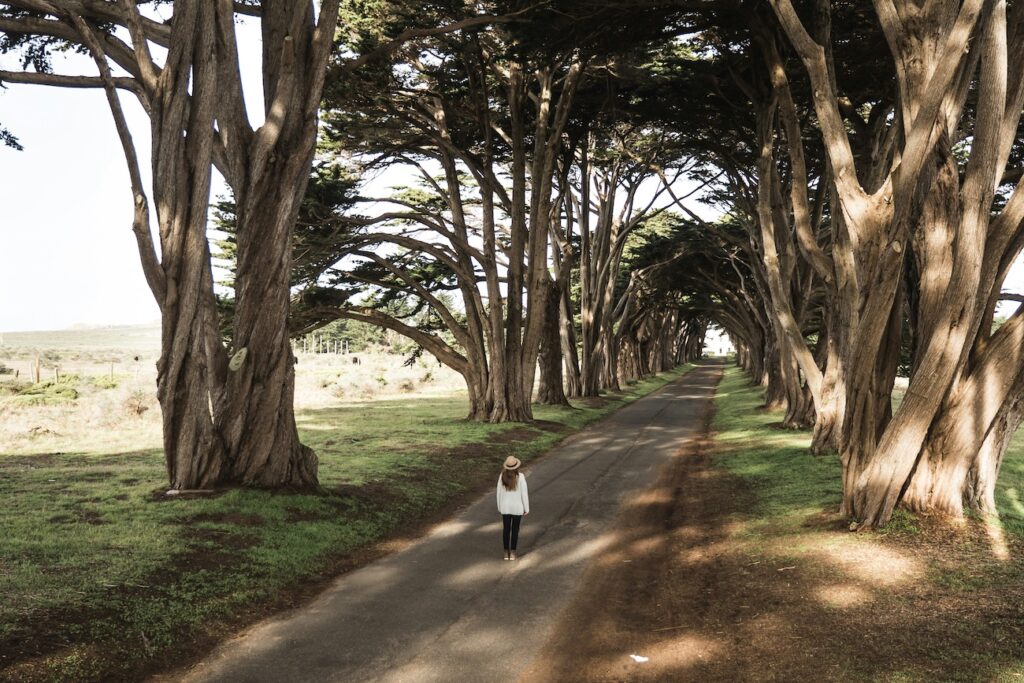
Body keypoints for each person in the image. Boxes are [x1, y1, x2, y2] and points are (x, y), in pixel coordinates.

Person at [496, 456, 529, 561]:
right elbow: (524, 494)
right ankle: (513, 552)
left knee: (506, 530)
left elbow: (498, 493)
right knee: (515, 530)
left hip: (505, 508)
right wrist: (526, 508)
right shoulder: (521, 477)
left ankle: (506, 552)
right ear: (516, 466)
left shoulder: (502, 476)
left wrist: (499, 506)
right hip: (517, 508)